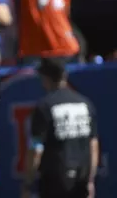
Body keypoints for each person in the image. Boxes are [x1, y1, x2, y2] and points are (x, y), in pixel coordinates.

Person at [21, 58, 99, 198]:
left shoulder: (45, 106)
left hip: (54, 180)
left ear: (45, 78)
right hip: (81, 178)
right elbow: (93, 145)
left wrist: (28, 182)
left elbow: (36, 149)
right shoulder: (84, 103)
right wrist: (90, 180)